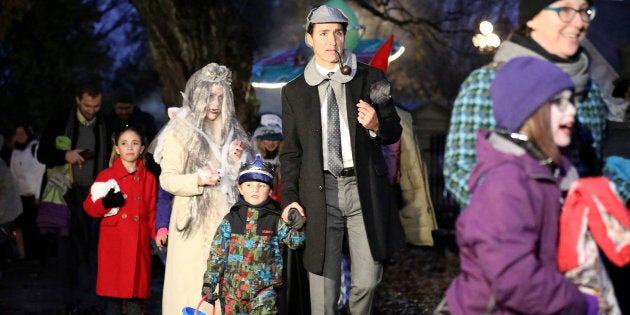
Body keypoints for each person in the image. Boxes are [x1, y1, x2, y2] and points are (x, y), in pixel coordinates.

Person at [444, 57, 599, 314]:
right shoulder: (506, 183)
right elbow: (515, 279)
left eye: (570, 99)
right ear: (528, 112)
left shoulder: (551, 173)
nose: (571, 110)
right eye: (558, 102)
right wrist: (579, 303)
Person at [280, 5, 404, 314]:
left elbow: (394, 129)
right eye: (323, 33)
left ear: (345, 37)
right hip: (318, 192)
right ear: (310, 39)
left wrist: (377, 125)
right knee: (323, 289)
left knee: (368, 280)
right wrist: (290, 199)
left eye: (337, 33)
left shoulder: (372, 77)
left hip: (364, 190)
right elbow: (292, 152)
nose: (331, 40)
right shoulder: (293, 91)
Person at [443, 0, 607, 208]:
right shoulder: (488, 83)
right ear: (531, 19)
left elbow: (595, 170)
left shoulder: (591, 92)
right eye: (565, 10)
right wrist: (521, 211)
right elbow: (462, 169)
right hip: (517, 232)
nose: (579, 22)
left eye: (584, 10)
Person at [153, 62, 253, 315]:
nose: (216, 104)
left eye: (221, 97)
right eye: (210, 96)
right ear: (198, 94)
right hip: (191, 227)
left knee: (222, 288)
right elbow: (168, 180)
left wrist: (233, 160)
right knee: (190, 289)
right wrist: (197, 180)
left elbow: (236, 180)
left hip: (224, 224)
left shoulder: (228, 129)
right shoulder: (179, 131)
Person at [36, 78, 110, 312]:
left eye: (96, 106)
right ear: (78, 100)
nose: (91, 111)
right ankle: (70, 303)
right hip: (66, 195)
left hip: (95, 194)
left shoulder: (105, 122)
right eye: (87, 106)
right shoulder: (61, 119)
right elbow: (42, 154)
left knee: (93, 250)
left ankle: (92, 301)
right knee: (67, 252)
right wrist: (65, 155)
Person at [201, 154, 305, 314]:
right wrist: (209, 284)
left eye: (261, 185)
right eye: (249, 185)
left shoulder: (276, 219)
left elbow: (295, 242)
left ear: (270, 190)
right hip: (231, 294)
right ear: (240, 188)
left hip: (265, 294)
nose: (255, 189)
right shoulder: (231, 220)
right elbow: (217, 256)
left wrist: (297, 225)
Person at [82, 125, 156, 315]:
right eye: (124, 143)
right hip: (114, 245)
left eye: (134, 144)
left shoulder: (148, 179)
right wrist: (105, 203)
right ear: (116, 148)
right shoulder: (106, 176)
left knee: (135, 301)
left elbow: (152, 212)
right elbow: (89, 207)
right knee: (112, 301)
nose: (129, 148)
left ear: (142, 149)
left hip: (138, 246)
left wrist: (158, 235)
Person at [9, 123, 46, 261]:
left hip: (33, 195)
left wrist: (38, 195)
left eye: (22, 133)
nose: (19, 136)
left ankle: (38, 256)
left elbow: (40, 172)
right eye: (17, 133)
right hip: (20, 195)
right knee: (21, 227)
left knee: (34, 227)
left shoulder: (35, 148)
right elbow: (12, 173)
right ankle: (24, 255)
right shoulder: (16, 151)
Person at [252, 113, 283, 202]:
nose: (271, 142)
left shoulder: (285, 160)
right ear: (260, 140)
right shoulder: (252, 159)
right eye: (267, 138)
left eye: (275, 138)